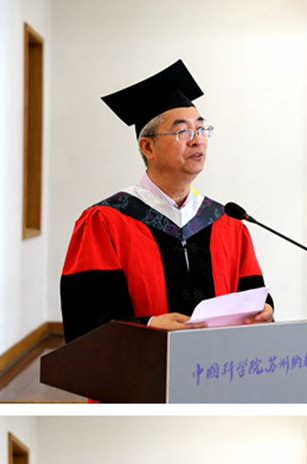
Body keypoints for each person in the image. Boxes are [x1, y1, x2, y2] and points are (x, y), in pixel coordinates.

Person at [60, 59, 274, 343]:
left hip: (218, 363)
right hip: (143, 364)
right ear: (147, 146)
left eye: (201, 129)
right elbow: (86, 316)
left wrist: (264, 310)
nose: (197, 140)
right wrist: (149, 325)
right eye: (182, 131)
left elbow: (252, 293)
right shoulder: (105, 221)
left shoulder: (227, 222)